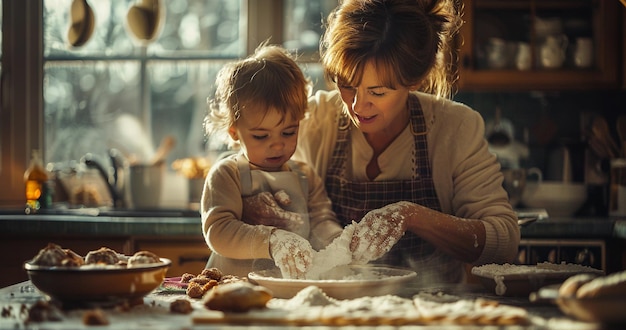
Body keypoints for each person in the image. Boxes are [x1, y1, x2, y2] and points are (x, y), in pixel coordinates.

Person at [242, 0, 520, 285]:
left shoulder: (454, 128)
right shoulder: (314, 121)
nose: (358, 105)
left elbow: (503, 242)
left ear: (415, 79)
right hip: (331, 309)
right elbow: (246, 173)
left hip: (433, 309)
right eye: (347, 85)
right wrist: (258, 202)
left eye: (377, 91)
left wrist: (411, 216)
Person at [201, 43, 348, 279]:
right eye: (261, 136)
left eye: (288, 132)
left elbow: (322, 221)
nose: (277, 144)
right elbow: (218, 231)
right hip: (232, 288)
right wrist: (271, 239)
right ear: (234, 132)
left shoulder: (305, 176)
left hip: (287, 290)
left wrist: (340, 243)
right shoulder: (228, 174)